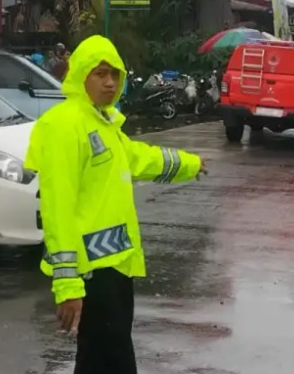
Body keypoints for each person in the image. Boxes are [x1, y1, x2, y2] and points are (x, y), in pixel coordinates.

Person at [24, 35, 205, 374]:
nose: (110, 82)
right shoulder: (63, 125)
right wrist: (68, 285)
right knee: (113, 361)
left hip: (116, 268)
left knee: (100, 361)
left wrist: (189, 164)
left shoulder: (103, 121)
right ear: (80, 75)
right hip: (91, 274)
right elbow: (57, 208)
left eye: (115, 75)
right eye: (100, 73)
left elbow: (136, 157)